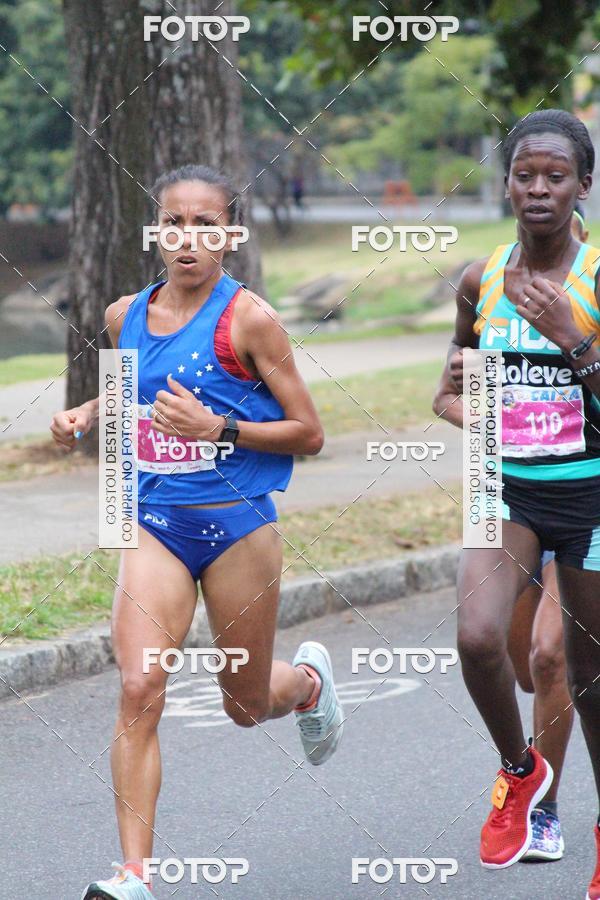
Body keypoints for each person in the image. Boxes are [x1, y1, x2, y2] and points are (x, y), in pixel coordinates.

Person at [50, 164, 344, 900]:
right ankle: (132, 876)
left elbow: (309, 432)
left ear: (229, 234)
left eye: (205, 224)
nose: (188, 238)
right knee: (141, 683)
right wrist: (87, 413)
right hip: (155, 525)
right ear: (155, 229)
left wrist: (220, 427)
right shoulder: (126, 314)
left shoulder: (248, 319)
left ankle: (306, 687)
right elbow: (131, 390)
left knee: (243, 706)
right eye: (173, 223)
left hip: (239, 529)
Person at [435, 109, 600, 897]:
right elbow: (448, 392)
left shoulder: (598, 277)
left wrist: (574, 339)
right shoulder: (481, 279)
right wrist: (484, 409)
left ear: (583, 187)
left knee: (579, 667)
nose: (538, 190)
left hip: (592, 496)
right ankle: (519, 771)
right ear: (505, 183)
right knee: (476, 640)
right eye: (524, 175)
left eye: (555, 176)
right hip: (504, 484)